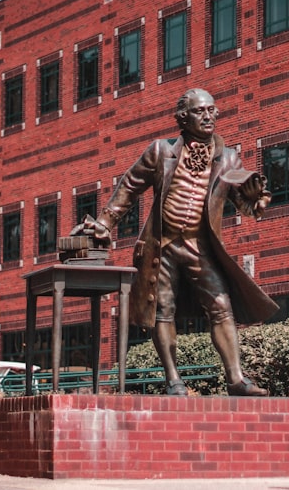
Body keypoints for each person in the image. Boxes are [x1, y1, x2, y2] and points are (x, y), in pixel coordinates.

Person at [82, 88, 279, 396]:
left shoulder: (227, 158)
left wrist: (256, 202)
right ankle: (174, 380)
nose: (209, 116)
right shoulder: (161, 151)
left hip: (201, 246)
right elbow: (130, 185)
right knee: (163, 309)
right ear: (183, 119)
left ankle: (236, 379)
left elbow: (242, 200)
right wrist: (106, 222)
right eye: (200, 111)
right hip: (163, 245)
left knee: (221, 305)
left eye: (212, 110)